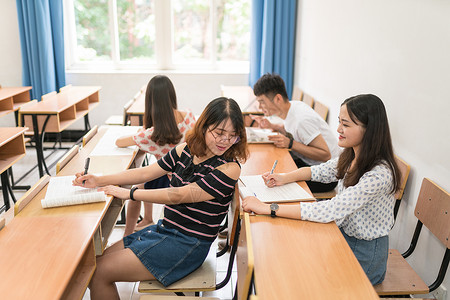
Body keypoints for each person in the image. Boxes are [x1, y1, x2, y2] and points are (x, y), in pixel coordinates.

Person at [73, 97, 248, 299]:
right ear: (204, 126)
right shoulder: (186, 150)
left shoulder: (230, 169)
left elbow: (179, 195)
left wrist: (130, 193)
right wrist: (99, 180)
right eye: (219, 133)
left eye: (233, 136)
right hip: (165, 230)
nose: (224, 141)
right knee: (93, 265)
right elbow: (146, 173)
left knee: (99, 272)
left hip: (189, 244)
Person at [242, 94, 401, 285]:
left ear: (369, 130)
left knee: (308, 278)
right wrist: (283, 178)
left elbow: (331, 209)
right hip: (341, 235)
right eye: (339, 122)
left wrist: (269, 208)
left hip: (365, 254)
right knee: (293, 259)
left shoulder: (379, 174)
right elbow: (322, 171)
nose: (338, 129)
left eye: (346, 124)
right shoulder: (353, 154)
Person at [115, 75, 196, 236]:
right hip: (189, 174)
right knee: (148, 176)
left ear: (150, 102)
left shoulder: (152, 134)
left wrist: (142, 131)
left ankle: (127, 234)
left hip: (171, 179)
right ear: (172, 95)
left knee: (137, 188)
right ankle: (147, 219)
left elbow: (119, 142)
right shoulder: (188, 116)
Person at [250, 73, 341, 193]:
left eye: (262, 102)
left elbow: (325, 154)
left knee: (274, 183)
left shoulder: (302, 120)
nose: (260, 107)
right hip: (308, 164)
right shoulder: (293, 106)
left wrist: (291, 144)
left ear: (278, 99)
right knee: (269, 168)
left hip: (325, 178)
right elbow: (291, 129)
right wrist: (273, 126)